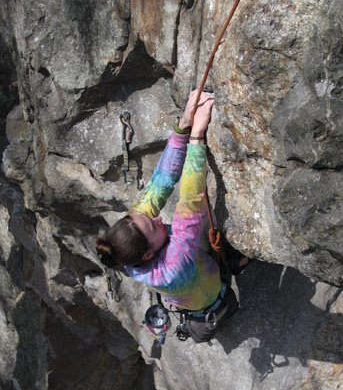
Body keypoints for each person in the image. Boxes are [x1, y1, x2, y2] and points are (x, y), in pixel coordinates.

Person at [96, 90, 245, 343]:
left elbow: (161, 182)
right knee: (222, 272)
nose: (156, 219)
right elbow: (189, 203)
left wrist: (184, 125)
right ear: (148, 254)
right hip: (211, 295)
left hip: (197, 272)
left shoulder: (134, 238)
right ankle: (234, 272)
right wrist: (197, 138)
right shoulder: (172, 268)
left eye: (147, 218)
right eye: (153, 227)